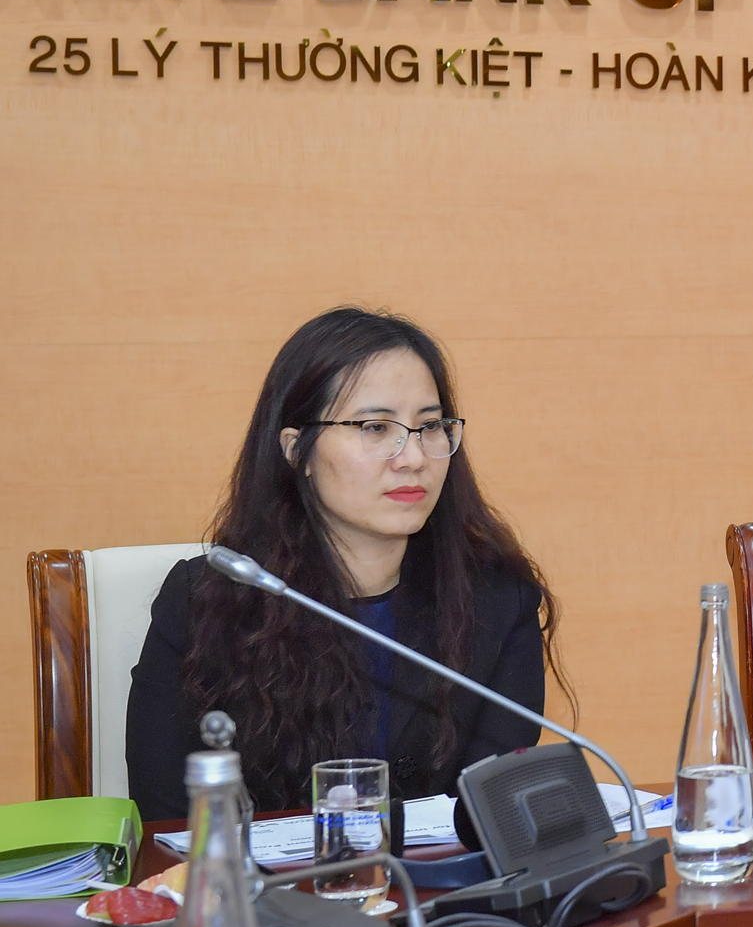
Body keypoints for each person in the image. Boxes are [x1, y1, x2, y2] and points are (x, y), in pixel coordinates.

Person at [126, 308, 567, 822]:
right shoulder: (206, 602)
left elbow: (491, 815)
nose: (413, 458)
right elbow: (170, 821)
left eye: (430, 426)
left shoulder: (497, 600)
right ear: (298, 451)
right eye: (375, 427)